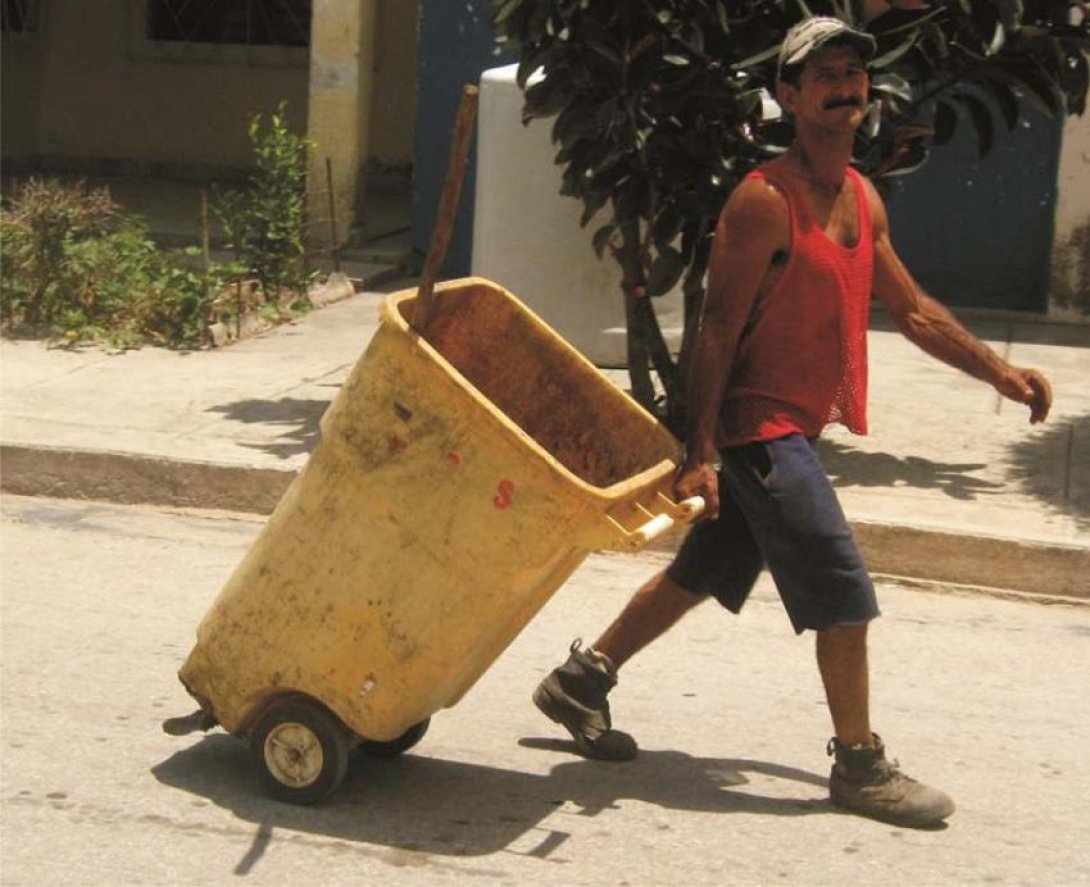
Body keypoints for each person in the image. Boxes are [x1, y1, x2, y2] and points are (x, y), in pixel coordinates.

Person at [532, 16, 1052, 830]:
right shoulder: (762, 201)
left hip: (795, 429)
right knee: (841, 586)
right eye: (826, 77)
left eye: (854, 73)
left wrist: (1000, 371)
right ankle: (860, 763)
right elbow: (714, 330)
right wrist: (697, 450)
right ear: (788, 96)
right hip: (756, 428)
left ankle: (583, 679)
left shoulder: (861, 196)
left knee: (704, 570)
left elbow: (911, 311)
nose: (847, 88)